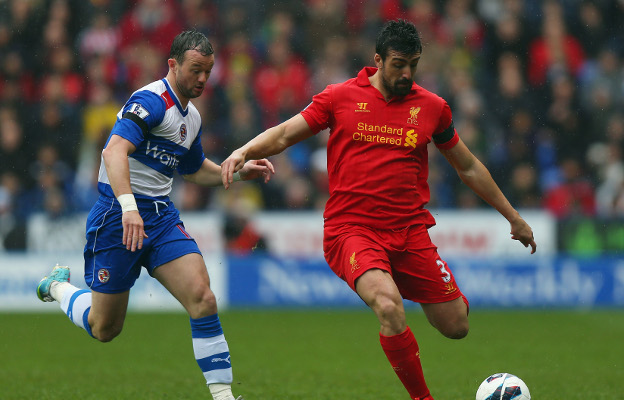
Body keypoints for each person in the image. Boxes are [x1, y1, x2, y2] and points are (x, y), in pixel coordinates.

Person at [221, 19, 537, 400]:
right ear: (378, 60)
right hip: (351, 231)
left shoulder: (432, 107)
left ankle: (399, 277)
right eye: (399, 64)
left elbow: (467, 166)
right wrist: (244, 151)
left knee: (456, 325)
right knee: (389, 307)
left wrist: (513, 217)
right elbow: (287, 132)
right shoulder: (338, 97)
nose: (406, 73)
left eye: (413, 65)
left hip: (409, 232)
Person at [36, 30, 274, 400]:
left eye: (207, 73)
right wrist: (129, 208)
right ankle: (57, 286)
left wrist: (239, 172)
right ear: (173, 64)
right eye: (195, 70)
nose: (201, 80)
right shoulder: (150, 101)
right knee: (104, 328)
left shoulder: (191, 117)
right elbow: (113, 152)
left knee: (202, 297)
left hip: (161, 218)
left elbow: (193, 169)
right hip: (118, 216)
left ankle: (224, 396)